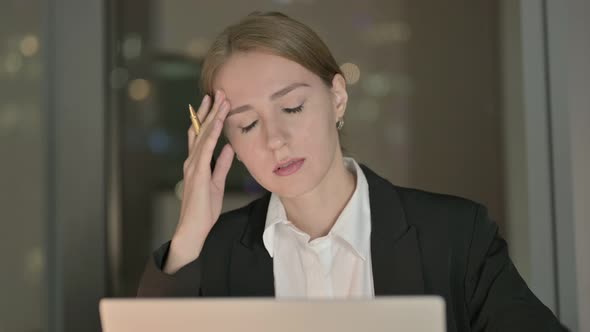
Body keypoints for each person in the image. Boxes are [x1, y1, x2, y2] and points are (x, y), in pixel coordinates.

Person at [137, 11, 567, 332]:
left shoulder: (455, 235)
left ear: (337, 97)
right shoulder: (211, 256)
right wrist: (190, 235)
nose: (276, 138)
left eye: (292, 107)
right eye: (248, 125)